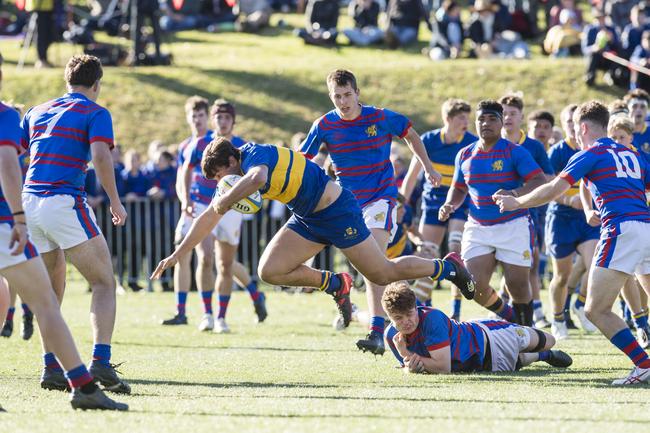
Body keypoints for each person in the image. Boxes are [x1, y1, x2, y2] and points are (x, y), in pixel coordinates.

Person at [151, 138, 476, 339]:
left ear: (231, 162)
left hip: (337, 209)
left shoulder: (254, 155)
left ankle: (446, 268)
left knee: (382, 273)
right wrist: (178, 253)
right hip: (307, 217)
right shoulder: (240, 170)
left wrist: (223, 200)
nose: (222, 185)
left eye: (221, 177)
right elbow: (208, 215)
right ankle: (335, 284)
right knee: (270, 269)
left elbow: (257, 177)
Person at [0, 53, 127, 410]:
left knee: (49, 289)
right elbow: (101, 157)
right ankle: (100, 360)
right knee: (103, 280)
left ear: (66, 82)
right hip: (62, 199)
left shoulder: (37, 110)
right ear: (97, 84)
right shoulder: (95, 112)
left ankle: (51, 367)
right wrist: (115, 201)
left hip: (29, 200)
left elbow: (17, 153)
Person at [494, 100, 650, 385]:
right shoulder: (632, 153)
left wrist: (516, 202)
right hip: (646, 226)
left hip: (621, 229)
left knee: (596, 310)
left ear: (583, 128)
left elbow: (553, 189)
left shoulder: (590, 153)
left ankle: (643, 364)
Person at [300, 69, 443, 356]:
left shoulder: (379, 117)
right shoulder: (324, 124)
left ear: (358, 93)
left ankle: (376, 331)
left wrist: (427, 166)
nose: (343, 101)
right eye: (337, 96)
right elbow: (303, 158)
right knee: (373, 267)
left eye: (347, 95)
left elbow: (411, 134)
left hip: (381, 198)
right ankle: (442, 268)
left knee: (374, 258)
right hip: (347, 204)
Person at [440, 100, 547, 326]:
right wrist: (450, 204)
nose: (486, 123)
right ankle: (509, 316)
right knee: (472, 286)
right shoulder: (464, 155)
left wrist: (514, 193)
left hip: (514, 224)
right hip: (478, 226)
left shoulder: (515, 152)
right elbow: (459, 188)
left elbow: (538, 180)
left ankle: (527, 337)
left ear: (500, 123)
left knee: (518, 285)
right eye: (481, 119)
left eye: (491, 119)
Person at [382, 281, 573, 373]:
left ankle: (545, 351)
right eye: (398, 318)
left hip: (489, 337)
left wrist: (406, 356)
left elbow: (442, 367)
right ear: (390, 318)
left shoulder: (431, 320)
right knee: (515, 363)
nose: (406, 321)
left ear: (417, 307)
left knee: (548, 341)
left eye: (410, 314)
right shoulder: (391, 336)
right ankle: (545, 356)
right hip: (478, 363)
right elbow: (413, 367)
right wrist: (408, 365)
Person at [401, 98, 476, 321]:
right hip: (433, 203)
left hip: (459, 204)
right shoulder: (429, 141)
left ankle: (456, 309)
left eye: (467, 117)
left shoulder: (471, 143)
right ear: (448, 119)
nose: (466, 122)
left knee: (455, 248)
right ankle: (421, 305)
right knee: (427, 252)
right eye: (461, 118)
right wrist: (401, 204)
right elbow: (411, 177)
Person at [544, 104, 600, 339]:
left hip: (587, 218)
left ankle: (581, 304)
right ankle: (558, 317)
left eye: (574, 123)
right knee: (562, 276)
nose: (571, 127)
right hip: (561, 218)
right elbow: (547, 186)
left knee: (596, 264)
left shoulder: (593, 150)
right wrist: (569, 200)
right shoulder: (557, 152)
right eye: (567, 122)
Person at [500, 95, 554, 328]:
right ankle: (502, 307)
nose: (507, 117)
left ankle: (529, 316)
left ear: (521, 116)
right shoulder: (489, 144)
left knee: (525, 265)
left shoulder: (533, 147)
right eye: (503, 113)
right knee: (499, 264)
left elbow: (549, 179)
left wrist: (521, 193)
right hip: (495, 217)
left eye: (512, 113)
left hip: (528, 215)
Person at [163, 96, 212, 326]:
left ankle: (209, 313)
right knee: (181, 255)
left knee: (212, 259)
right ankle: (180, 312)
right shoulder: (184, 146)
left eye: (201, 115)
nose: (197, 120)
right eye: (193, 116)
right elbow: (180, 178)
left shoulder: (215, 142)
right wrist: (184, 200)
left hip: (211, 207)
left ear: (207, 116)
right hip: (190, 207)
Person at [624, 88, 650, 158]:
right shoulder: (620, 134)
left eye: (642, 107)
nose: (638, 110)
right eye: (634, 106)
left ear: (647, 111)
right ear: (627, 110)